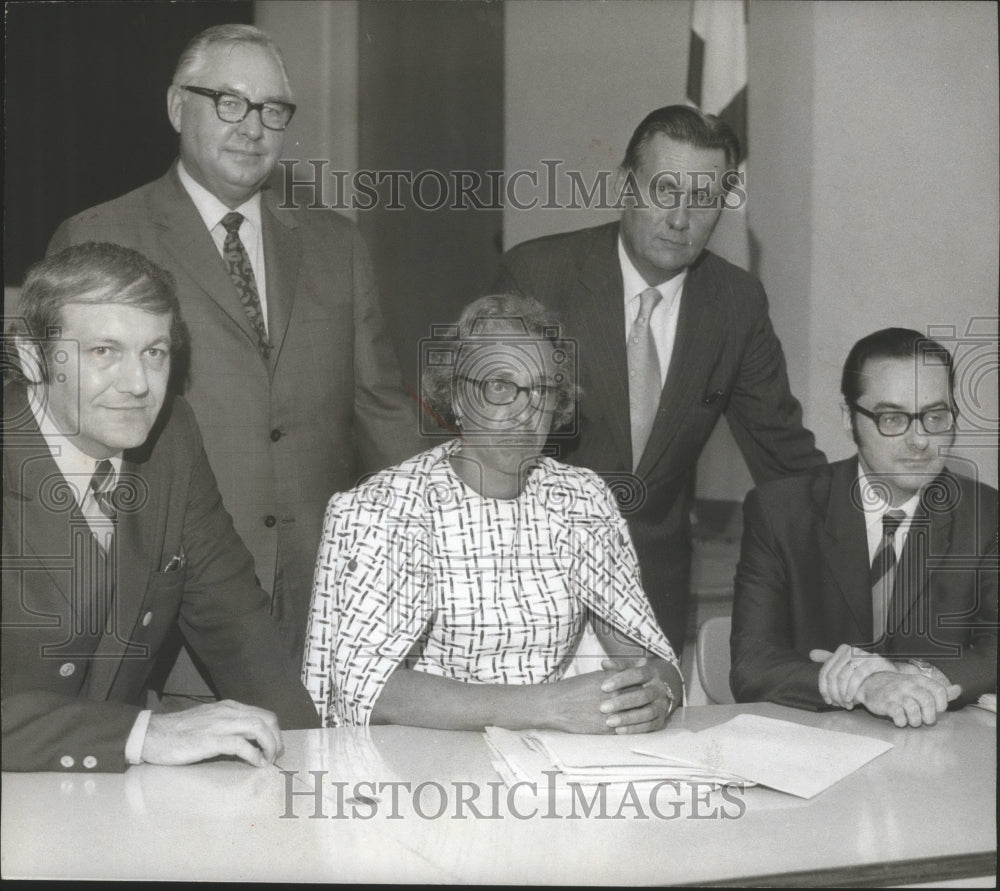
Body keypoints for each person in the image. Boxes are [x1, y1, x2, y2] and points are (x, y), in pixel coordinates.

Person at [47, 24, 420, 696]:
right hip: (168, 613)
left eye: (273, 109)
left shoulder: (339, 247)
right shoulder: (101, 235)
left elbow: (384, 416)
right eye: (228, 101)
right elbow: (59, 445)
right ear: (175, 107)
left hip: (323, 604)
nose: (253, 127)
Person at [494, 105, 826, 652]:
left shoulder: (736, 304)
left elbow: (785, 457)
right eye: (664, 190)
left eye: (703, 199)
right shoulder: (537, 276)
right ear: (626, 184)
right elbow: (483, 445)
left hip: (652, 595)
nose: (680, 218)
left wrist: (879, 537)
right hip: (524, 581)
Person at [2, 243, 319, 773]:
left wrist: (314, 765)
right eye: (103, 351)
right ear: (34, 356)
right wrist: (142, 732)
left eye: (155, 352)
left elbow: (234, 618)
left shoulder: (171, 435)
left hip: (109, 798)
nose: (139, 386)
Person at [303, 294, 682, 732]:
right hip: (421, 768)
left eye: (542, 390)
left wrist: (658, 693)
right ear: (458, 399)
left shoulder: (582, 498)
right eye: (499, 386)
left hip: (548, 764)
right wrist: (546, 706)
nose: (525, 412)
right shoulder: (388, 507)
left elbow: (646, 657)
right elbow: (366, 686)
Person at [730, 328, 998, 727]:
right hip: (818, 745)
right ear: (848, 418)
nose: (920, 440)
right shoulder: (780, 511)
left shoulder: (986, 513)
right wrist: (864, 685)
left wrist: (923, 678)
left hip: (935, 750)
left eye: (935, 417)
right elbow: (753, 662)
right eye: (892, 418)